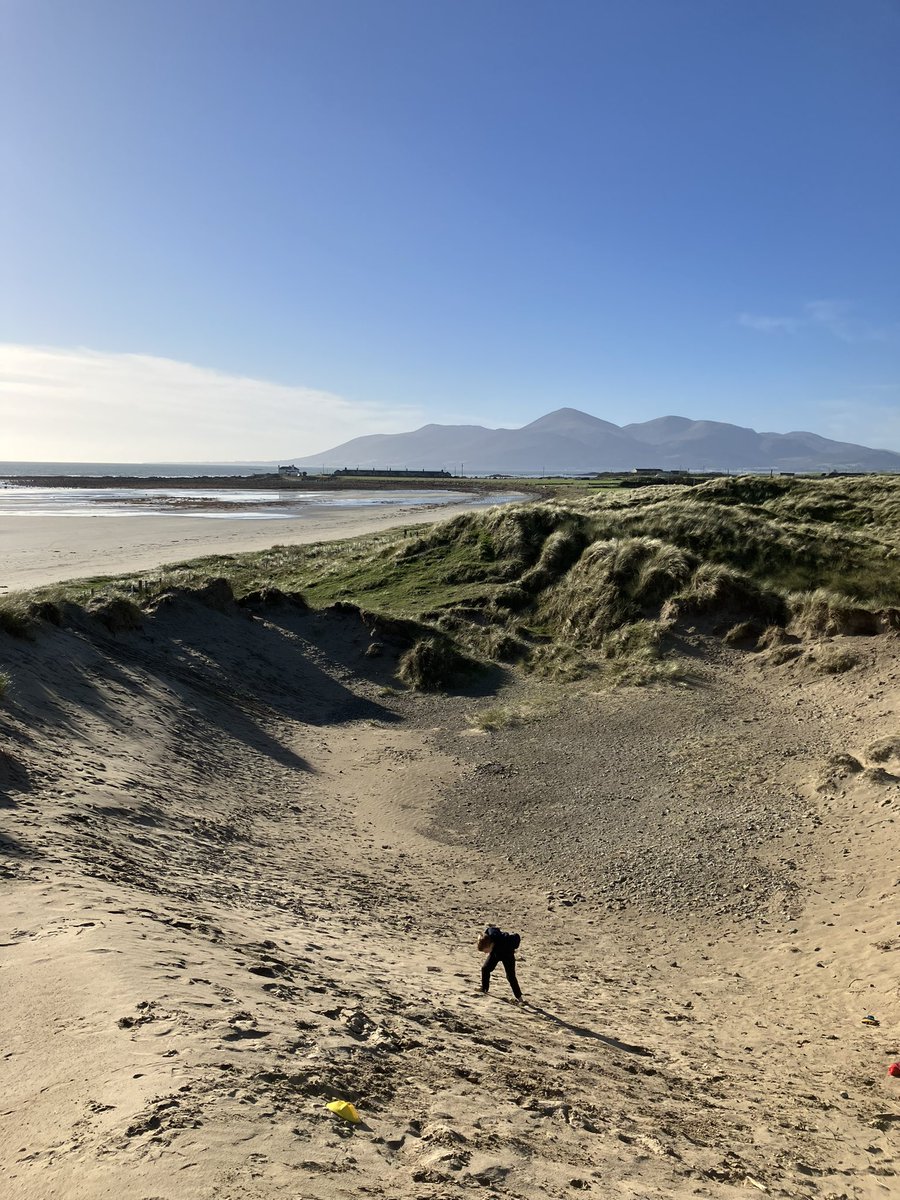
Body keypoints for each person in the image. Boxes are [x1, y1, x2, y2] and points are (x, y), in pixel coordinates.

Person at [478, 924, 523, 1001]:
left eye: (485, 951)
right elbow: (490, 929)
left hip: (507, 955)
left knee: (510, 976)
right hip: (495, 953)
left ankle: (519, 997)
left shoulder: (503, 941)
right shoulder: (491, 936)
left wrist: (513, 946)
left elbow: (515, 938)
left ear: (490, 945)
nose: (485, 953)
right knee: (485, 969)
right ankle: (484, 988)